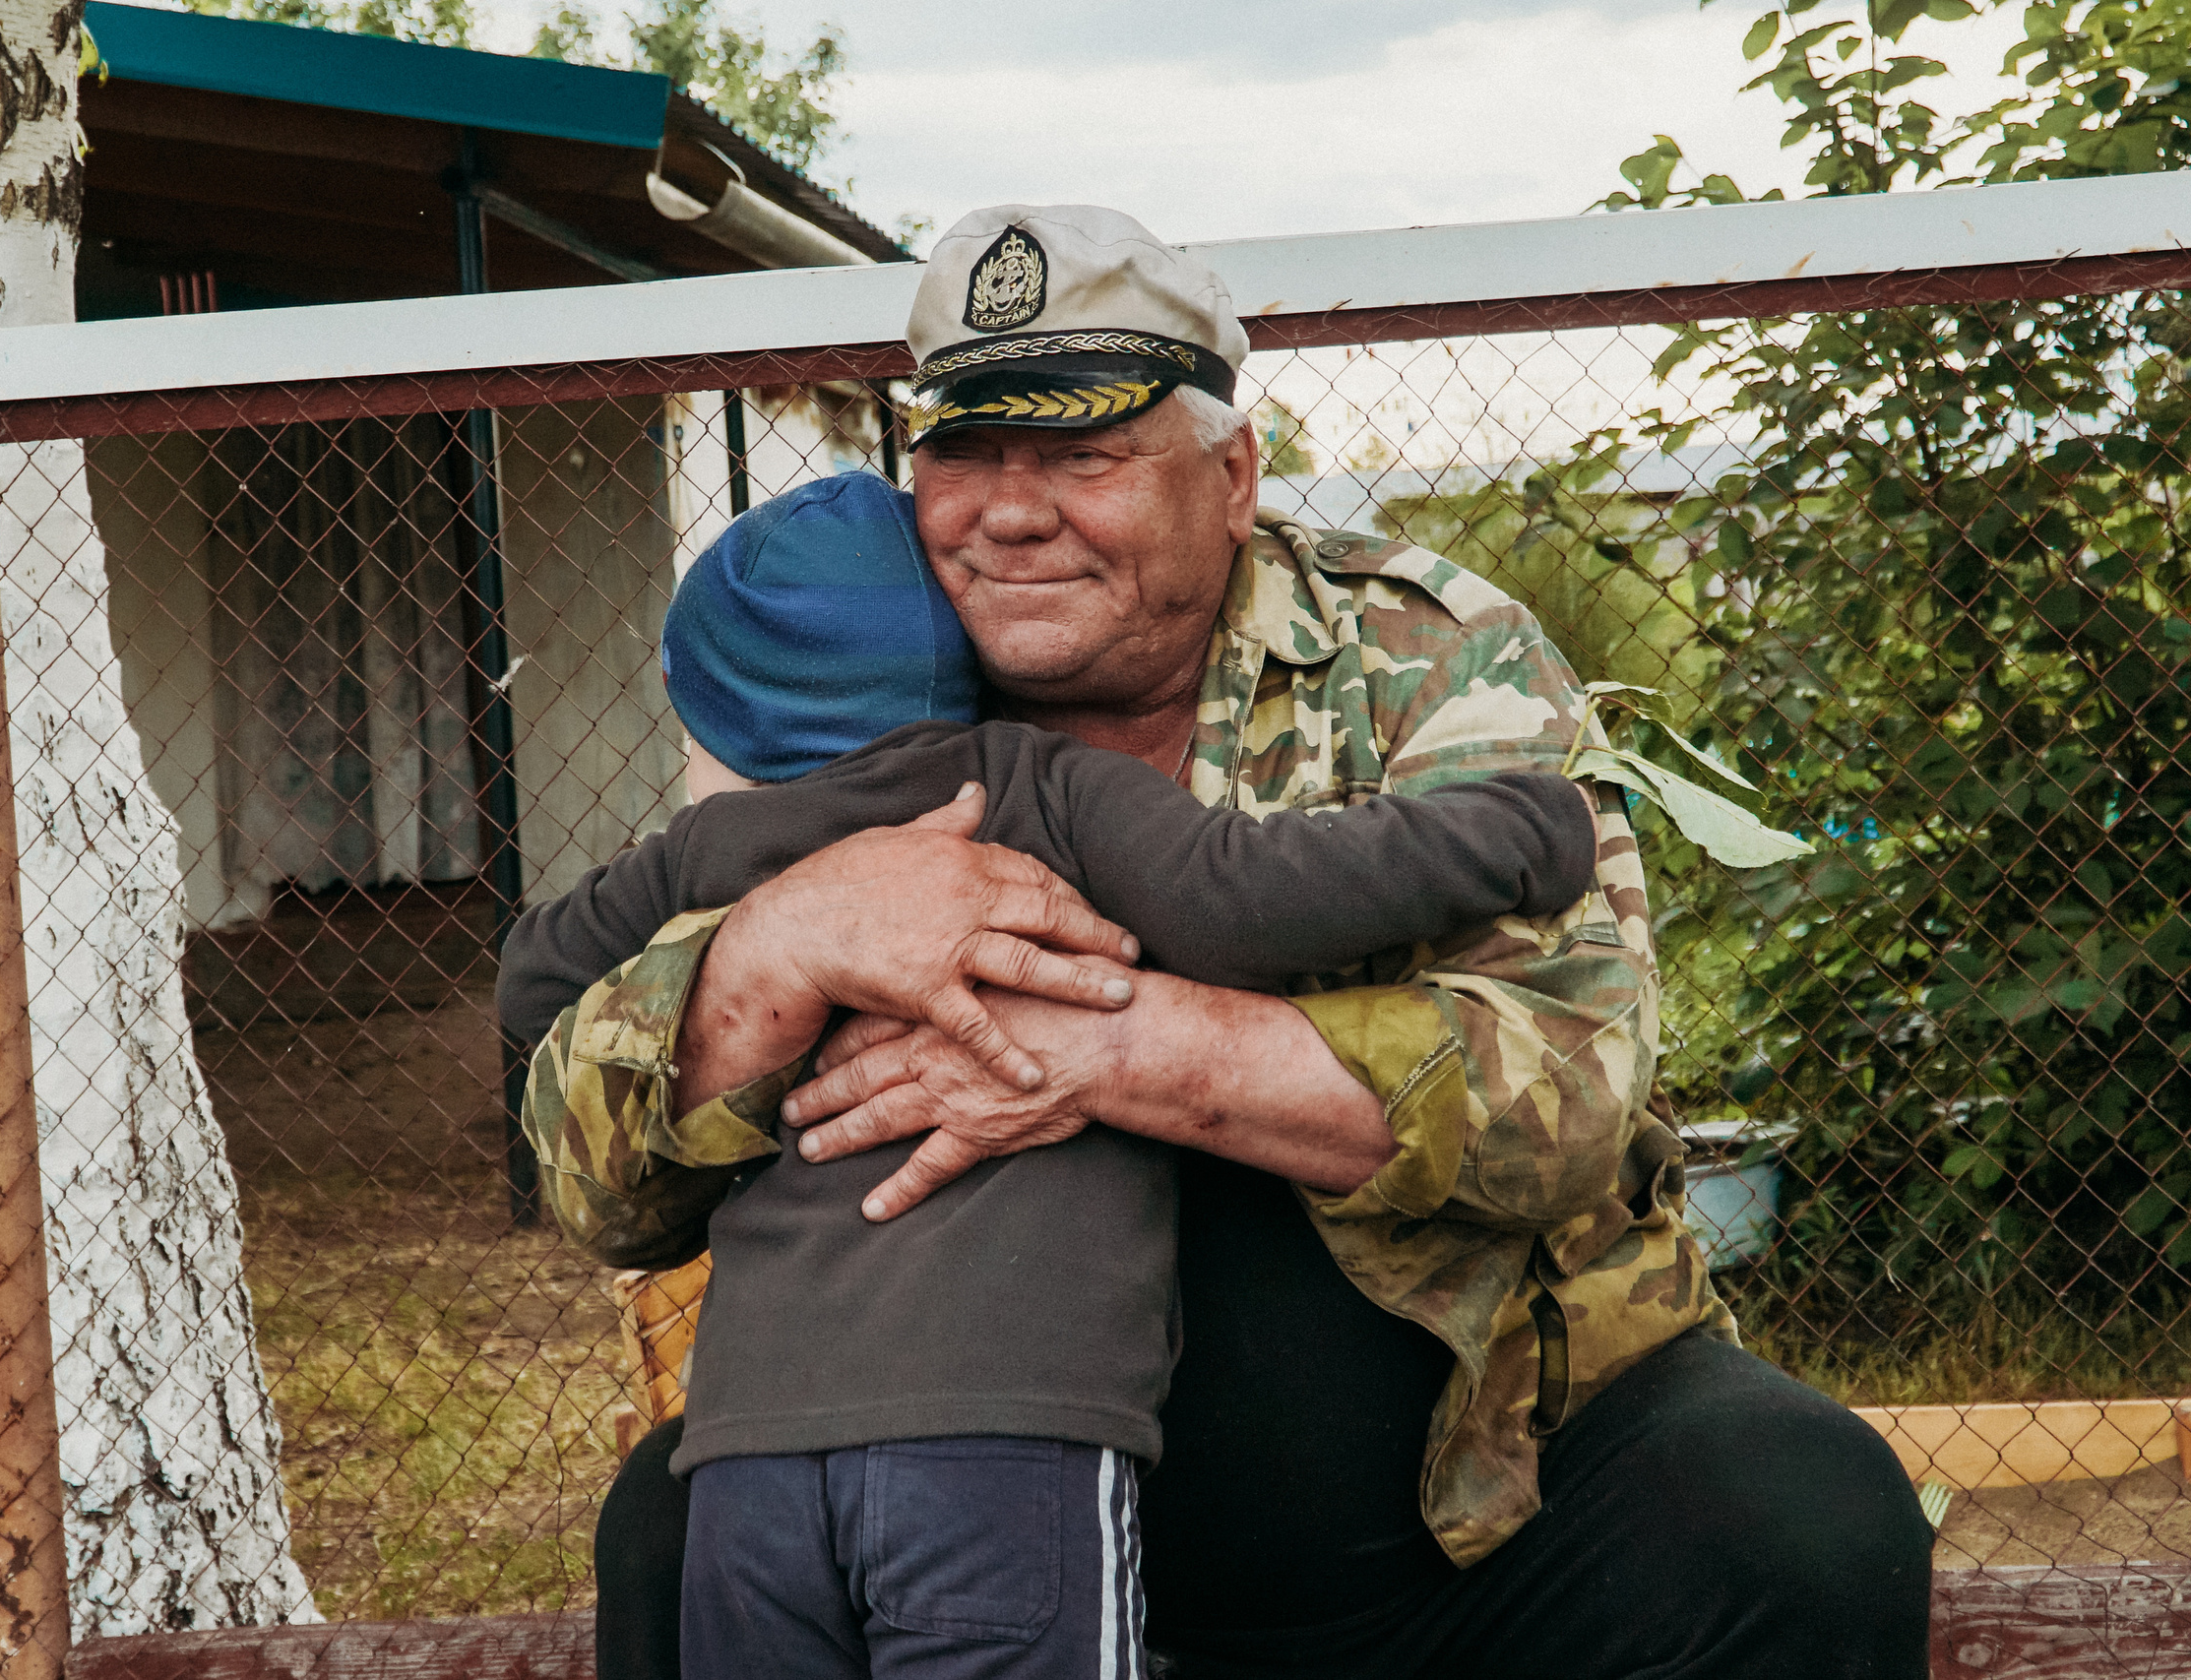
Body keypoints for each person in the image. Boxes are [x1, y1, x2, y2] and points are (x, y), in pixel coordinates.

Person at [545, 206, 1933, 1679]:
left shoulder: (1413, 652)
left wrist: (1109, 1048)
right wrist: (780, 948)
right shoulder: (853, 671)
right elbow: (597, 1183)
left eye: (1082, 456)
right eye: (963, 452)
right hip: (988, 1490)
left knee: (1800, 1511)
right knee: (668, 1527)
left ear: (1232, 472)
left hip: (1478, 1492)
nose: (1007, 514)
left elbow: (1570, 1095)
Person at [500, 467, 1602, 1678]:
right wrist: (1516, 834)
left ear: (693, 707)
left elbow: (535, 986)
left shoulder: (714, 858)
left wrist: (740, 948)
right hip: (999, 1449)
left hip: (752, 1456)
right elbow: (1249, 900)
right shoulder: (1034, 785)